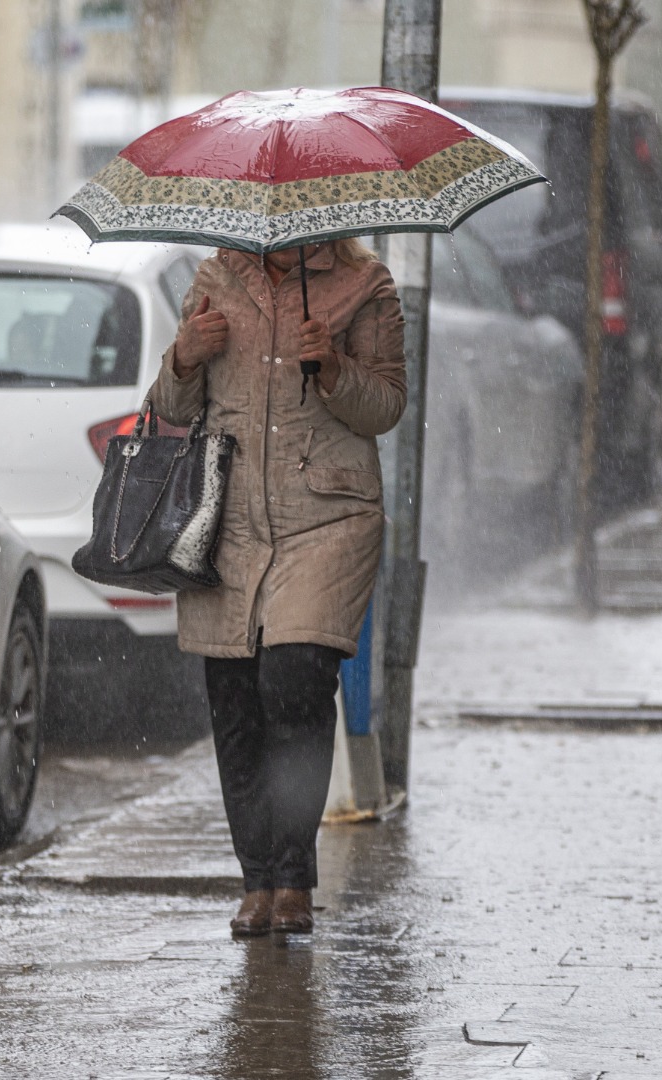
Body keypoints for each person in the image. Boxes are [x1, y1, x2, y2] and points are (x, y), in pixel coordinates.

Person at [148, 238, 406, 936]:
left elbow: (383, 408)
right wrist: (186, 354)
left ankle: (292, 879)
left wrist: (333, 365)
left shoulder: (364, 284)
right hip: (226, 521)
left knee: (292, 679)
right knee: (233, 700)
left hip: (326, 517)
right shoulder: (214, 278)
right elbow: (170, 404)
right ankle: (255, 881)